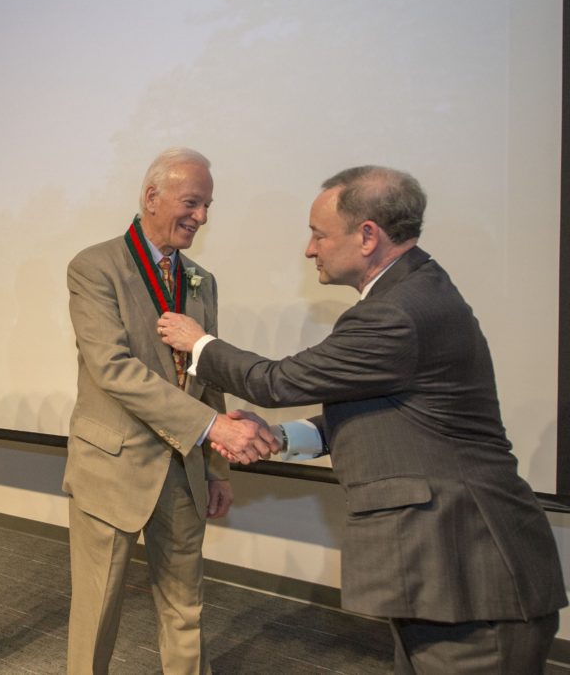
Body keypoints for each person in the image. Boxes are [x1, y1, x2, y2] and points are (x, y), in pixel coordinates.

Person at [158, 166, 566, 673]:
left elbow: (276, 382)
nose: (310, 249)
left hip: (468, 572)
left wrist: (197, 343)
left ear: (368, 235)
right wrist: (281, 437)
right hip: (445, 573)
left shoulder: (399, 311)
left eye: (319, 234)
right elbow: (381, 412)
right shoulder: (413, 291)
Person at [64, 147, 276, 674]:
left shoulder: (203, 279)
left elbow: (209, 375)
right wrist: (211, 429)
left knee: (186, 608)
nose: (201, 217)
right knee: (97, 613)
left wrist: (217, 464)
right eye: (191, 202)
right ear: (152, 196)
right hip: (110, 468)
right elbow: (112, 368)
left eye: (207, 206)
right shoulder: (94, 267)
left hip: (185, 470)